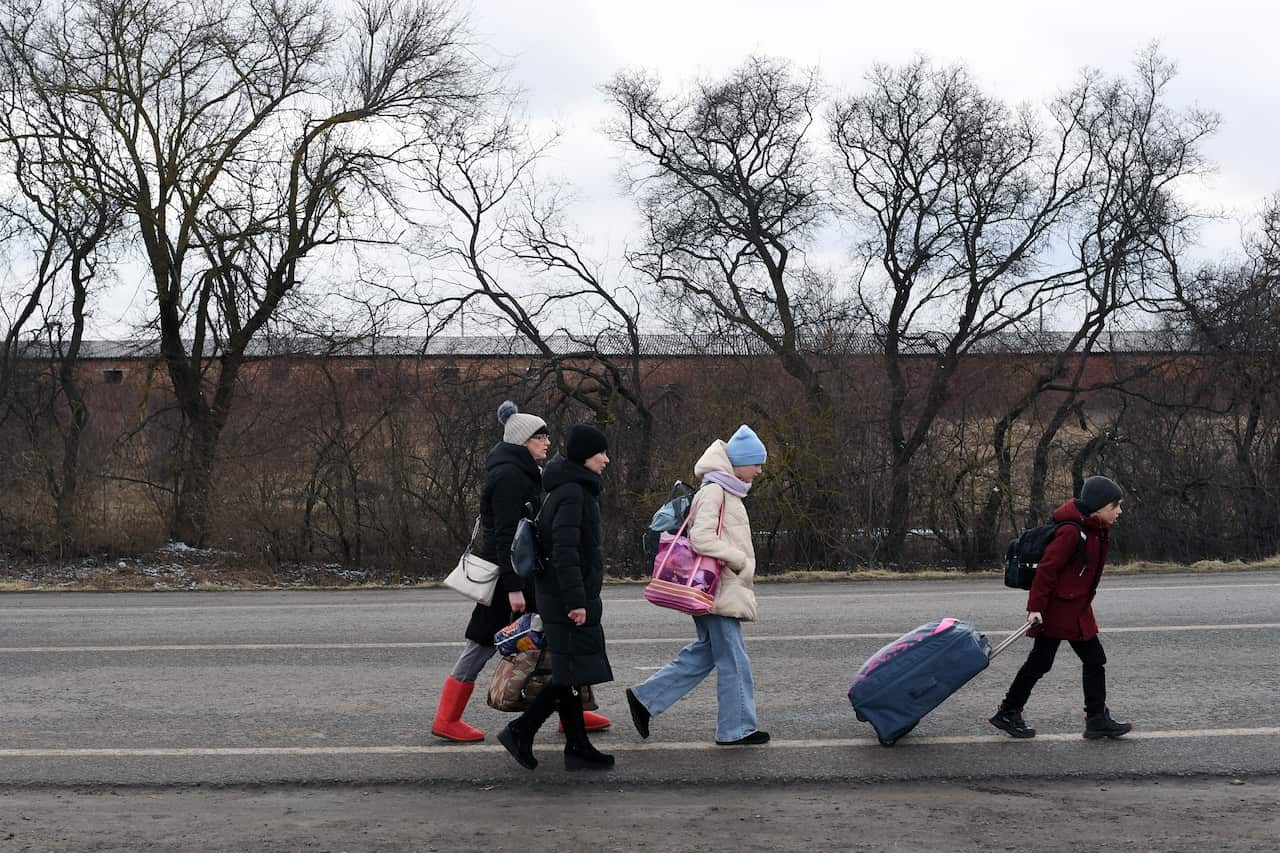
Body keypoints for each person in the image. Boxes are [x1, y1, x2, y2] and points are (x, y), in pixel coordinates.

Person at [431, 402, 610, 741]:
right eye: (539, 436)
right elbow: (506, 535)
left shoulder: (527, 472)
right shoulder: (509, 476)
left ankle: (571, 714)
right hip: (507, 579)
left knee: (555, 641)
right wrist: (513, 587)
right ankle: (447, 718)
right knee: (482, 643)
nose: (546, 442)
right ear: (522, 440)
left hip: (524, 574)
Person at [624, 424, 770, 747]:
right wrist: (738, 560)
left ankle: (645, 698)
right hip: (715, 589)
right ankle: (737, 729)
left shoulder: (725, 488)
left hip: (717, 588)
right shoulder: (715, 491)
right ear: (739, 461)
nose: (760, 470)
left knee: (707, 653)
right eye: (756, 463)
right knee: (733, 658)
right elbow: (702, 538)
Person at [497, 424, 616, 771]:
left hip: (561, 594)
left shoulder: (568, 488)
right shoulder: (573, 493)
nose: (606, 459)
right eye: (601, 453)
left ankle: (577, 746)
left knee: (571, 671)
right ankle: (521, 729)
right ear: (584, 455)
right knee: (569, 672)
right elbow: (565, 553)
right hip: (566, 598)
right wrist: (577, 602)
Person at [989, 475, 1133, 740]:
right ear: (1099, 507)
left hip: (1076, 608)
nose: (1119, 511)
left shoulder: (1094, 529)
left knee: (1091, 660)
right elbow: (1046, 570)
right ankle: (1009, 711)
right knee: (1042, 662)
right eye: (1115, 506)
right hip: (1056, 611)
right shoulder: (1071, 532)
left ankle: (1097, 719)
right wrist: (1035, 609)